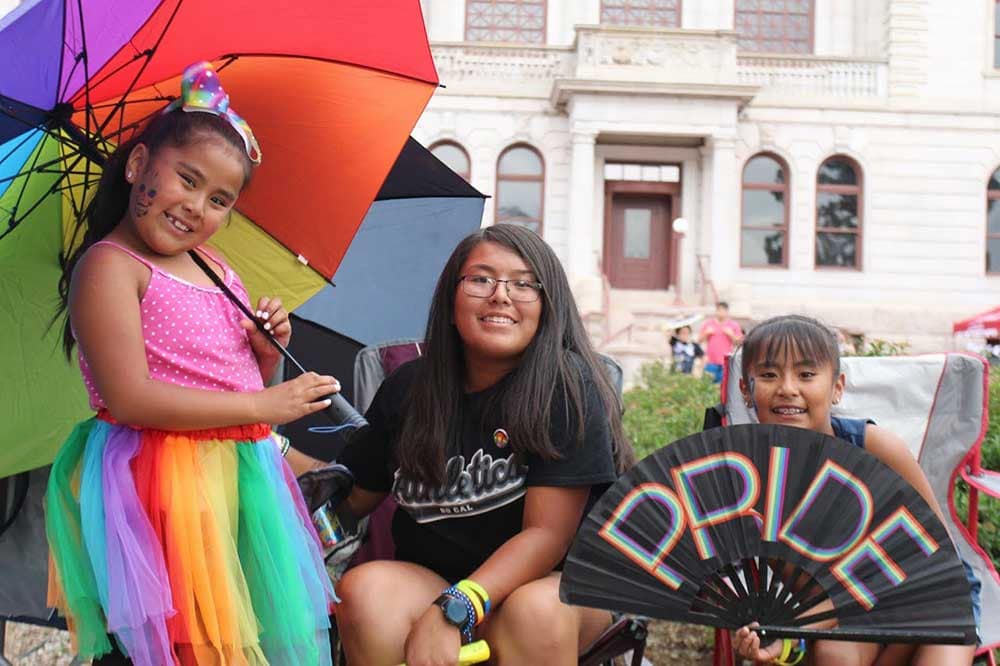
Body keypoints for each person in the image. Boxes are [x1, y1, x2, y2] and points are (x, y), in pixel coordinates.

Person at [46, 62, 337, 666]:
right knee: (184, 644)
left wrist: (264, 359)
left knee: (243, 636)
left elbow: (245, 388)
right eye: (187, 179)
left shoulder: (216, 268)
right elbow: (129, 398)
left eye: (219, 200)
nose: (196, 206)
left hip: (240, 477)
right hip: (162, 479)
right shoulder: (109, 267)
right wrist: (262, 404)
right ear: (137, 167)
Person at [331, 224, 634, 666]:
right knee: (367, 590)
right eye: (481, 279)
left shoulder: (566, 387)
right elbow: (351, 496)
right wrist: (263, 429)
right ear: (451, 300)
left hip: (554, 586)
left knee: (532, 613)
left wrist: (458, 606)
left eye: (525, 283)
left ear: (548, 307)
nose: (501, 295)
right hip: (436, 580)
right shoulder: (409, 388)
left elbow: (547, 535)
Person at [731, 315, 979, 666]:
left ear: (837, 387)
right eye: (769, 375)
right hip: (846, 608)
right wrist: (782, 643)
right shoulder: (749, 484)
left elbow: (938, 552)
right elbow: (811, 595)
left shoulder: (874, 447)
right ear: (746, 389)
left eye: (806, 374)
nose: (787, 387)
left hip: (932, 591)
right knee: (835, 653)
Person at [698, 301, 743, 383]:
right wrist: (706, 333)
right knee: (707, 385)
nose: (721, 313)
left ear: (727, 312)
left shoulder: (733, 325)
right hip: (710, 361)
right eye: (719, 310)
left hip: (726, 362)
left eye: (723, 310)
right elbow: (699, 340)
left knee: (723, 387)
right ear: (716, 311)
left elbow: (739, 343)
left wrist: (731, 335)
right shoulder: (708, 324)